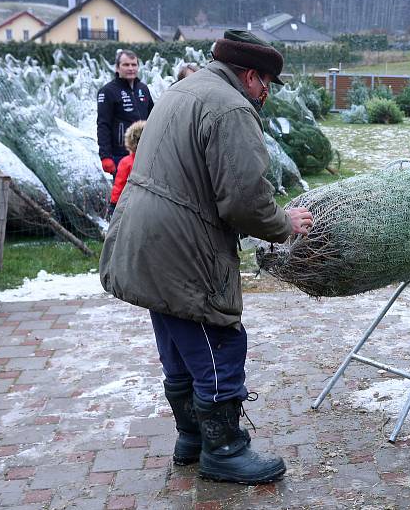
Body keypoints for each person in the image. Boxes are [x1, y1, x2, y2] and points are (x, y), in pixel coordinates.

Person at [99, 30, 314, 485]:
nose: (267, 93)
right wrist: (283, 223)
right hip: (182, 244)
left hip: (143, 236)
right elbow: (242, 201)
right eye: (267, 83)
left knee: (177, 337)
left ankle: (191, 438)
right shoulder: (232, 107)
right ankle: (225, 449)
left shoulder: (186, 89)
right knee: (219, 340)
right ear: (250, 75)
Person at [97, 50, 154, 178]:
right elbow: (103, 125)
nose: (131, 68)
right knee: (122, 194)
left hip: (144, 153)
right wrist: (105, 156)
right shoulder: (107, 91)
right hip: (120, 155)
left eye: (134, 65)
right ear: (117, 68)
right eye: (126, 65)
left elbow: (153, 118)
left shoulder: (143, 89)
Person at [107, 120, 145, 219]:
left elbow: (119, 184)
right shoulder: (155, 159)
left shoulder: (126, 162)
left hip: (130, 205)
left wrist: (114, 204)